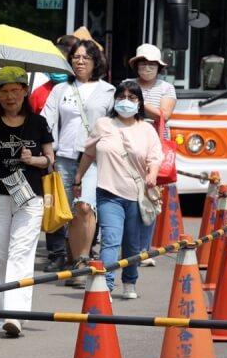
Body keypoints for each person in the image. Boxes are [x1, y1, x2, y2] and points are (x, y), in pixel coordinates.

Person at [0, 67, 54, 337]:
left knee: (20, 254)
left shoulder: (38, 123)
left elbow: (50, 160)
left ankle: (15, 316)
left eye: (15, 91)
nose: (10, 97)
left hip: (30, 197)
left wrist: (34, 160)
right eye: (4, 91)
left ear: (25, 92)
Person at [74, 81, 161, 299]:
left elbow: (155, 158)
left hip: (136, 195)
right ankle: (106, 286)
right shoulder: (103, 124)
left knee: (132, 245)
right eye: (122, 97)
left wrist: (151, 175)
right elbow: (89, 153)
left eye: (132, 98)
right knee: (110, 240)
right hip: (108, 194)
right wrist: (78, 177)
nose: (126, 102)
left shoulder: (147, 129)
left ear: (139, 102)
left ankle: (130, 282)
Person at [41, 40, 115, 280]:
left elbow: (113, 126)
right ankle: (74, 261)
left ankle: (83, 260)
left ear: (96, 62)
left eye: (86, 57)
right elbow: (47, 121)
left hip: (93, 159)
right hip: (63, 157)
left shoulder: (108, 91)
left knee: (85, 207)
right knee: (67, 211)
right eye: (75, 57)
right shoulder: (60, 90)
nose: (80, 61)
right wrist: (48, 152)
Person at [129, 43, 177, 266]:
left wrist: (138, 101)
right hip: (127, 144)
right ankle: (129, 247)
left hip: (154, 148)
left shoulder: (166, 88)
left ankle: (143, 249)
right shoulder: (126, 85)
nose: (146, 68)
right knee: (127, 195)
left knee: (149, 196)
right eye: (142, 64)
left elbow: (164, 114)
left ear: (159, 67)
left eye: (151, 65)